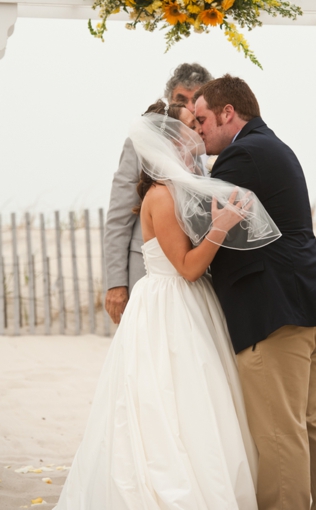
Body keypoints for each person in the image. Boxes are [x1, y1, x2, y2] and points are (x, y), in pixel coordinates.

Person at [56, 109, 282, 509]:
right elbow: (190, 268)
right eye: (180, 139)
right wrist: (222, 225)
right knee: (169, 401)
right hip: (169, 305)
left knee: (202, 401)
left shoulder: (180, 191)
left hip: (189, 305)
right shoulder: (160, 196)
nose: (191, 144)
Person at [192, 74, 316, 509]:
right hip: (309, 302)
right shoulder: (274, 146)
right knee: (314, 416)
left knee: (279, 432)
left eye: (202, 118)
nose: (197, 129)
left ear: (229, 113)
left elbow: (199, 222)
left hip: (273, 310)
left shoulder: (241, 155)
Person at [104, 62, 213, 324]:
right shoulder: (140, 144)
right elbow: (119, 215)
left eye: (195, 100)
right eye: (181, 100)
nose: (188, 107)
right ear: (169, 102)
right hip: (147, 271)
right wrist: (116, 283)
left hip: (190, 275)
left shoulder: (203, 147)